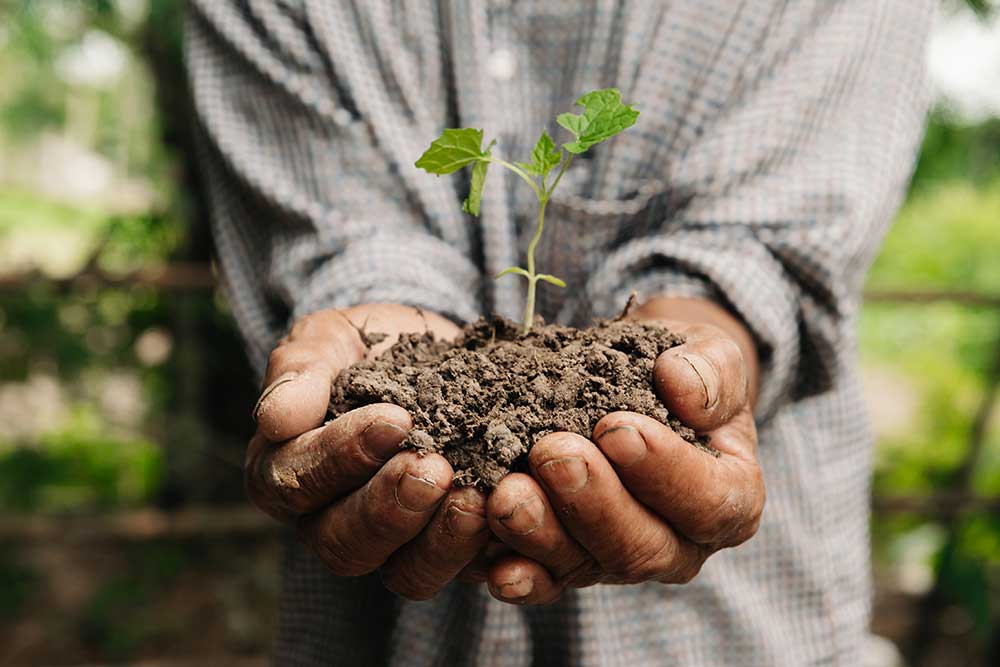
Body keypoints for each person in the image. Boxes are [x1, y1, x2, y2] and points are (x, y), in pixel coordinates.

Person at [186, 1, 931, 664]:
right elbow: (341, 229)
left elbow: (769, 239)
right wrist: (373, 323)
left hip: (743, 632)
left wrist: (698, 339)